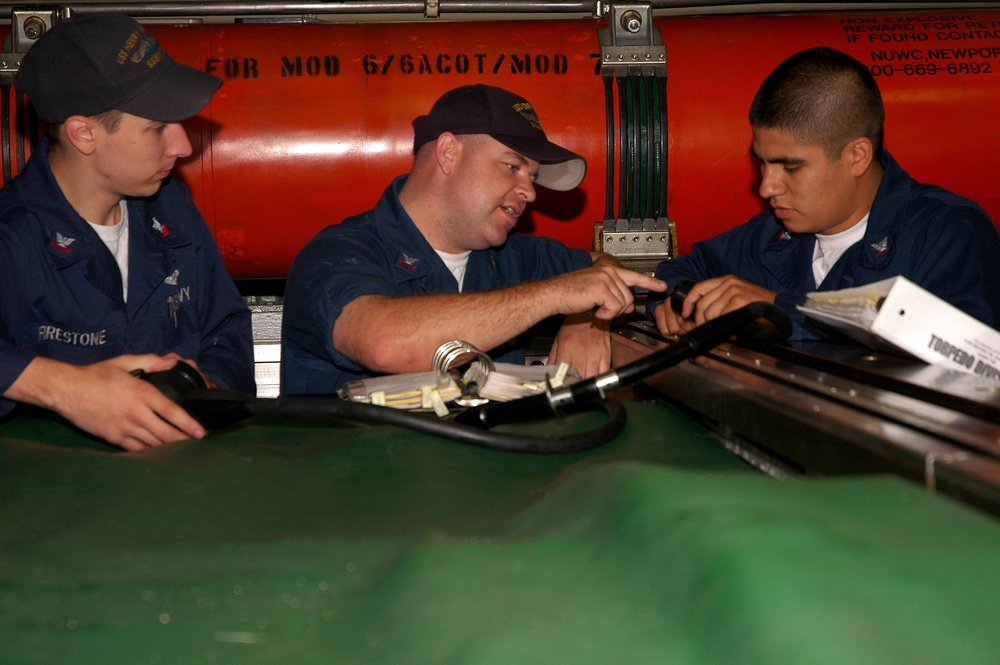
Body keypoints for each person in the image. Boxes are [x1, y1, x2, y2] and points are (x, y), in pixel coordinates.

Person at [281, 84, 665, 394]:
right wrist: (556, 295)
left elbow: (603, 266)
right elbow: (384, 342)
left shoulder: (510, 256)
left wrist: (585, 320)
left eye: (532, 177)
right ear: (449, 153)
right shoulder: (337, 253)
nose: (530, 192)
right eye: (512, 166)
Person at [0, 13, 255, 450]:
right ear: (84, 134)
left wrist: (203, 387)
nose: (184, 147)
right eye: (157, 128)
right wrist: (67, 388)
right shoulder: (13, 239)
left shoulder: (172, 209)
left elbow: (225, 330)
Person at [648, 46, 1000, 341]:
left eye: (791, 167)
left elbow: (963, 349)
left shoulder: (947, 234)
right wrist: (680, 305)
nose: (766, 187)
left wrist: (781, 309)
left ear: (856, 156)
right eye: (762, 163)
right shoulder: (774, 236)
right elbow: (679, 273)